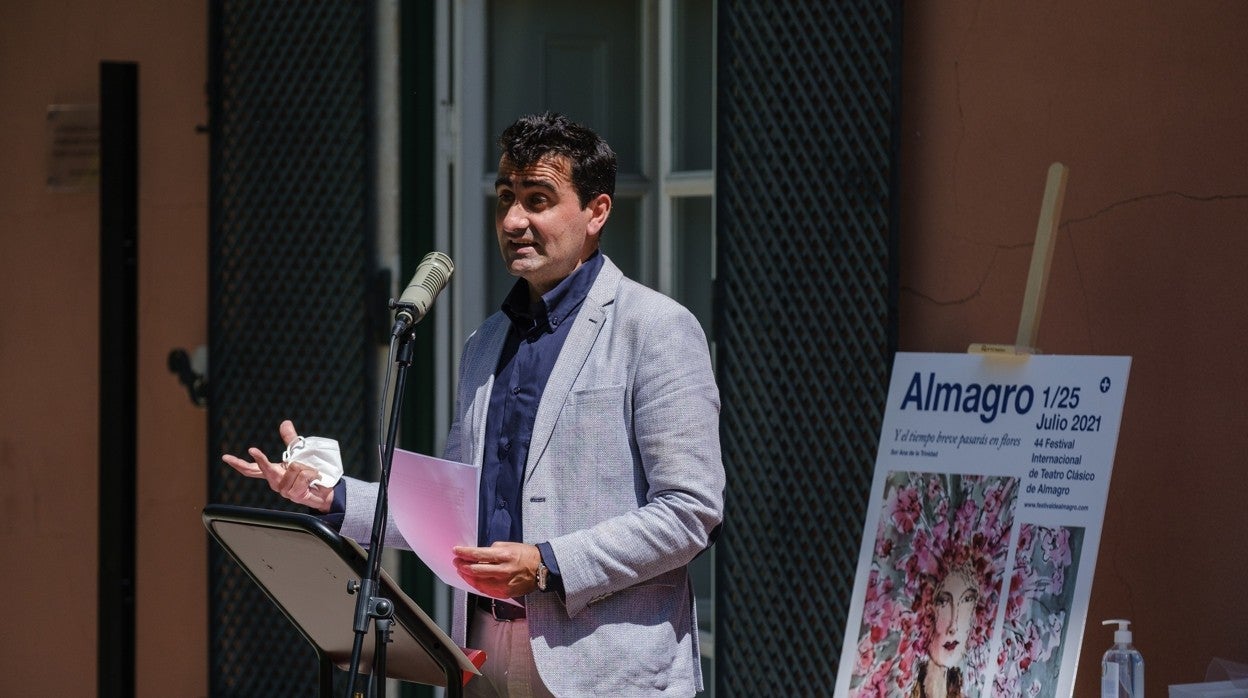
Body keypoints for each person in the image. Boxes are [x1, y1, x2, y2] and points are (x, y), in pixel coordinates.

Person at [223, 112, 725, 697]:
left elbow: (691, 511)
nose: (514, 220)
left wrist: (546, 564)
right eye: (506, 198)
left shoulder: (657, 329)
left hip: (608, 671)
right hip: (481, 657)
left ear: (597, 212)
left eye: (538, 200)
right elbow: (452, 515)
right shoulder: (484, 343)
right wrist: (329, 494)